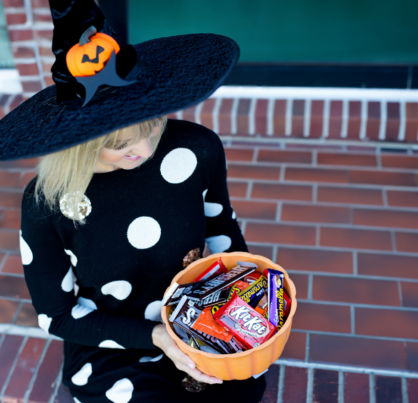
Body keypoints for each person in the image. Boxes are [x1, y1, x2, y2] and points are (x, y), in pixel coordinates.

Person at [1, 0, 266, 402]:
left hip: (199, 314)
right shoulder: (47, 204)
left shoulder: (197, 149)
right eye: (119, 144)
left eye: (154, 122)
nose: (143, 149)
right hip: (110, 339)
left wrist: (246, 293)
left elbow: (222, 231)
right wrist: (158, 337)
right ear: (80, 140)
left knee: (240, 389)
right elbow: (56, 315)